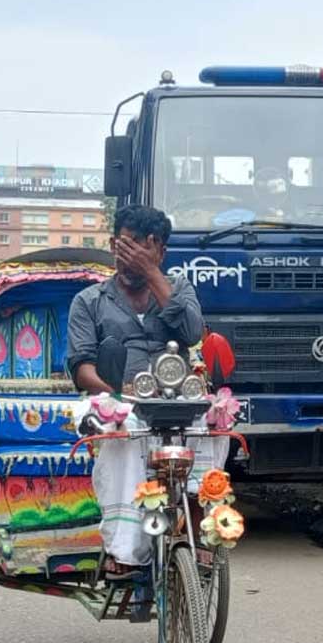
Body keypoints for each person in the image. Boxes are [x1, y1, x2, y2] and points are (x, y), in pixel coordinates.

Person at [65, 204, 221, 570]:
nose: (130, 255)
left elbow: (191, 332)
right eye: (125, 245)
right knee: (123, 431)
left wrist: (153, 274)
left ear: (160, 250)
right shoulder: (89, 301)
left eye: (142, 247)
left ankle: (199, 532)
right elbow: (81, 367)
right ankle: (125, 549)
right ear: (114, 246)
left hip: (176, 396)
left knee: (214, 424)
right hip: (117, 398)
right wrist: (119, 393)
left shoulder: (179, 289)